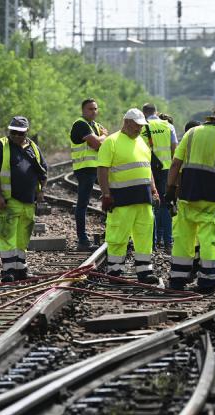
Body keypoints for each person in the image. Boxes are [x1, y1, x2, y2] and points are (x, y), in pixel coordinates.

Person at [164, 106, 215, 292]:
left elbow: (176, 163)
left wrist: (170, 189)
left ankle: (177, 280)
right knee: (208, 239)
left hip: (187, 194)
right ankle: (207, 282)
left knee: (183, 238)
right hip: (212, 197)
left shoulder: (191, 133)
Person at [97, 108, 160, 284]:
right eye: (137, 126)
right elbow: (102, 169)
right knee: (118, 236)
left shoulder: (141, 142)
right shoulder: (111, 142)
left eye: (141, 126)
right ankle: (115, 273)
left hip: (143, 199)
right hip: (121, 199)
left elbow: (147, 167)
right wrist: (106, 194)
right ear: (126, 122)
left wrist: (154, 189)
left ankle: (144, 272)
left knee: (144, 234)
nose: (139, 129)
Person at [0, 116, 48, 283]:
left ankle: (21, 268)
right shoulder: (0, 147)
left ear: (26, 132)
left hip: (29, 201)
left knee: (23, 236)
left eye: (20, 133)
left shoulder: (33, 147)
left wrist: (41, 191)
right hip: (10, 200)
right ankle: (8, 270)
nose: (16, 136)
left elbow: (43, 171)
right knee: (8, 235)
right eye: (13, 132)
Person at [69, 98, 108, 251]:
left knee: (110, 194)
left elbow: (106, 144)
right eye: (90, 109)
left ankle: (110, 232)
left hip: (98, 168)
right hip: (85, 168)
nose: (94, 111)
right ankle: (82, 240)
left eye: (95, 109)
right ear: (83, 110)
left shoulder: (95, 126)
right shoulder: (80, 124)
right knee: (83, 203)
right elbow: (97, 144)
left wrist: (102, 137)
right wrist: (103, 137)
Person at [141, 103, 177, 252]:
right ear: (156, 112)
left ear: (144, 114)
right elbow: (175, 149)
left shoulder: (142, 126)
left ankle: (153, 244)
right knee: (166, 205)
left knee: (151, 206)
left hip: (148, 170)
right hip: (166, 170)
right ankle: (168, 243)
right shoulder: (168, 126)